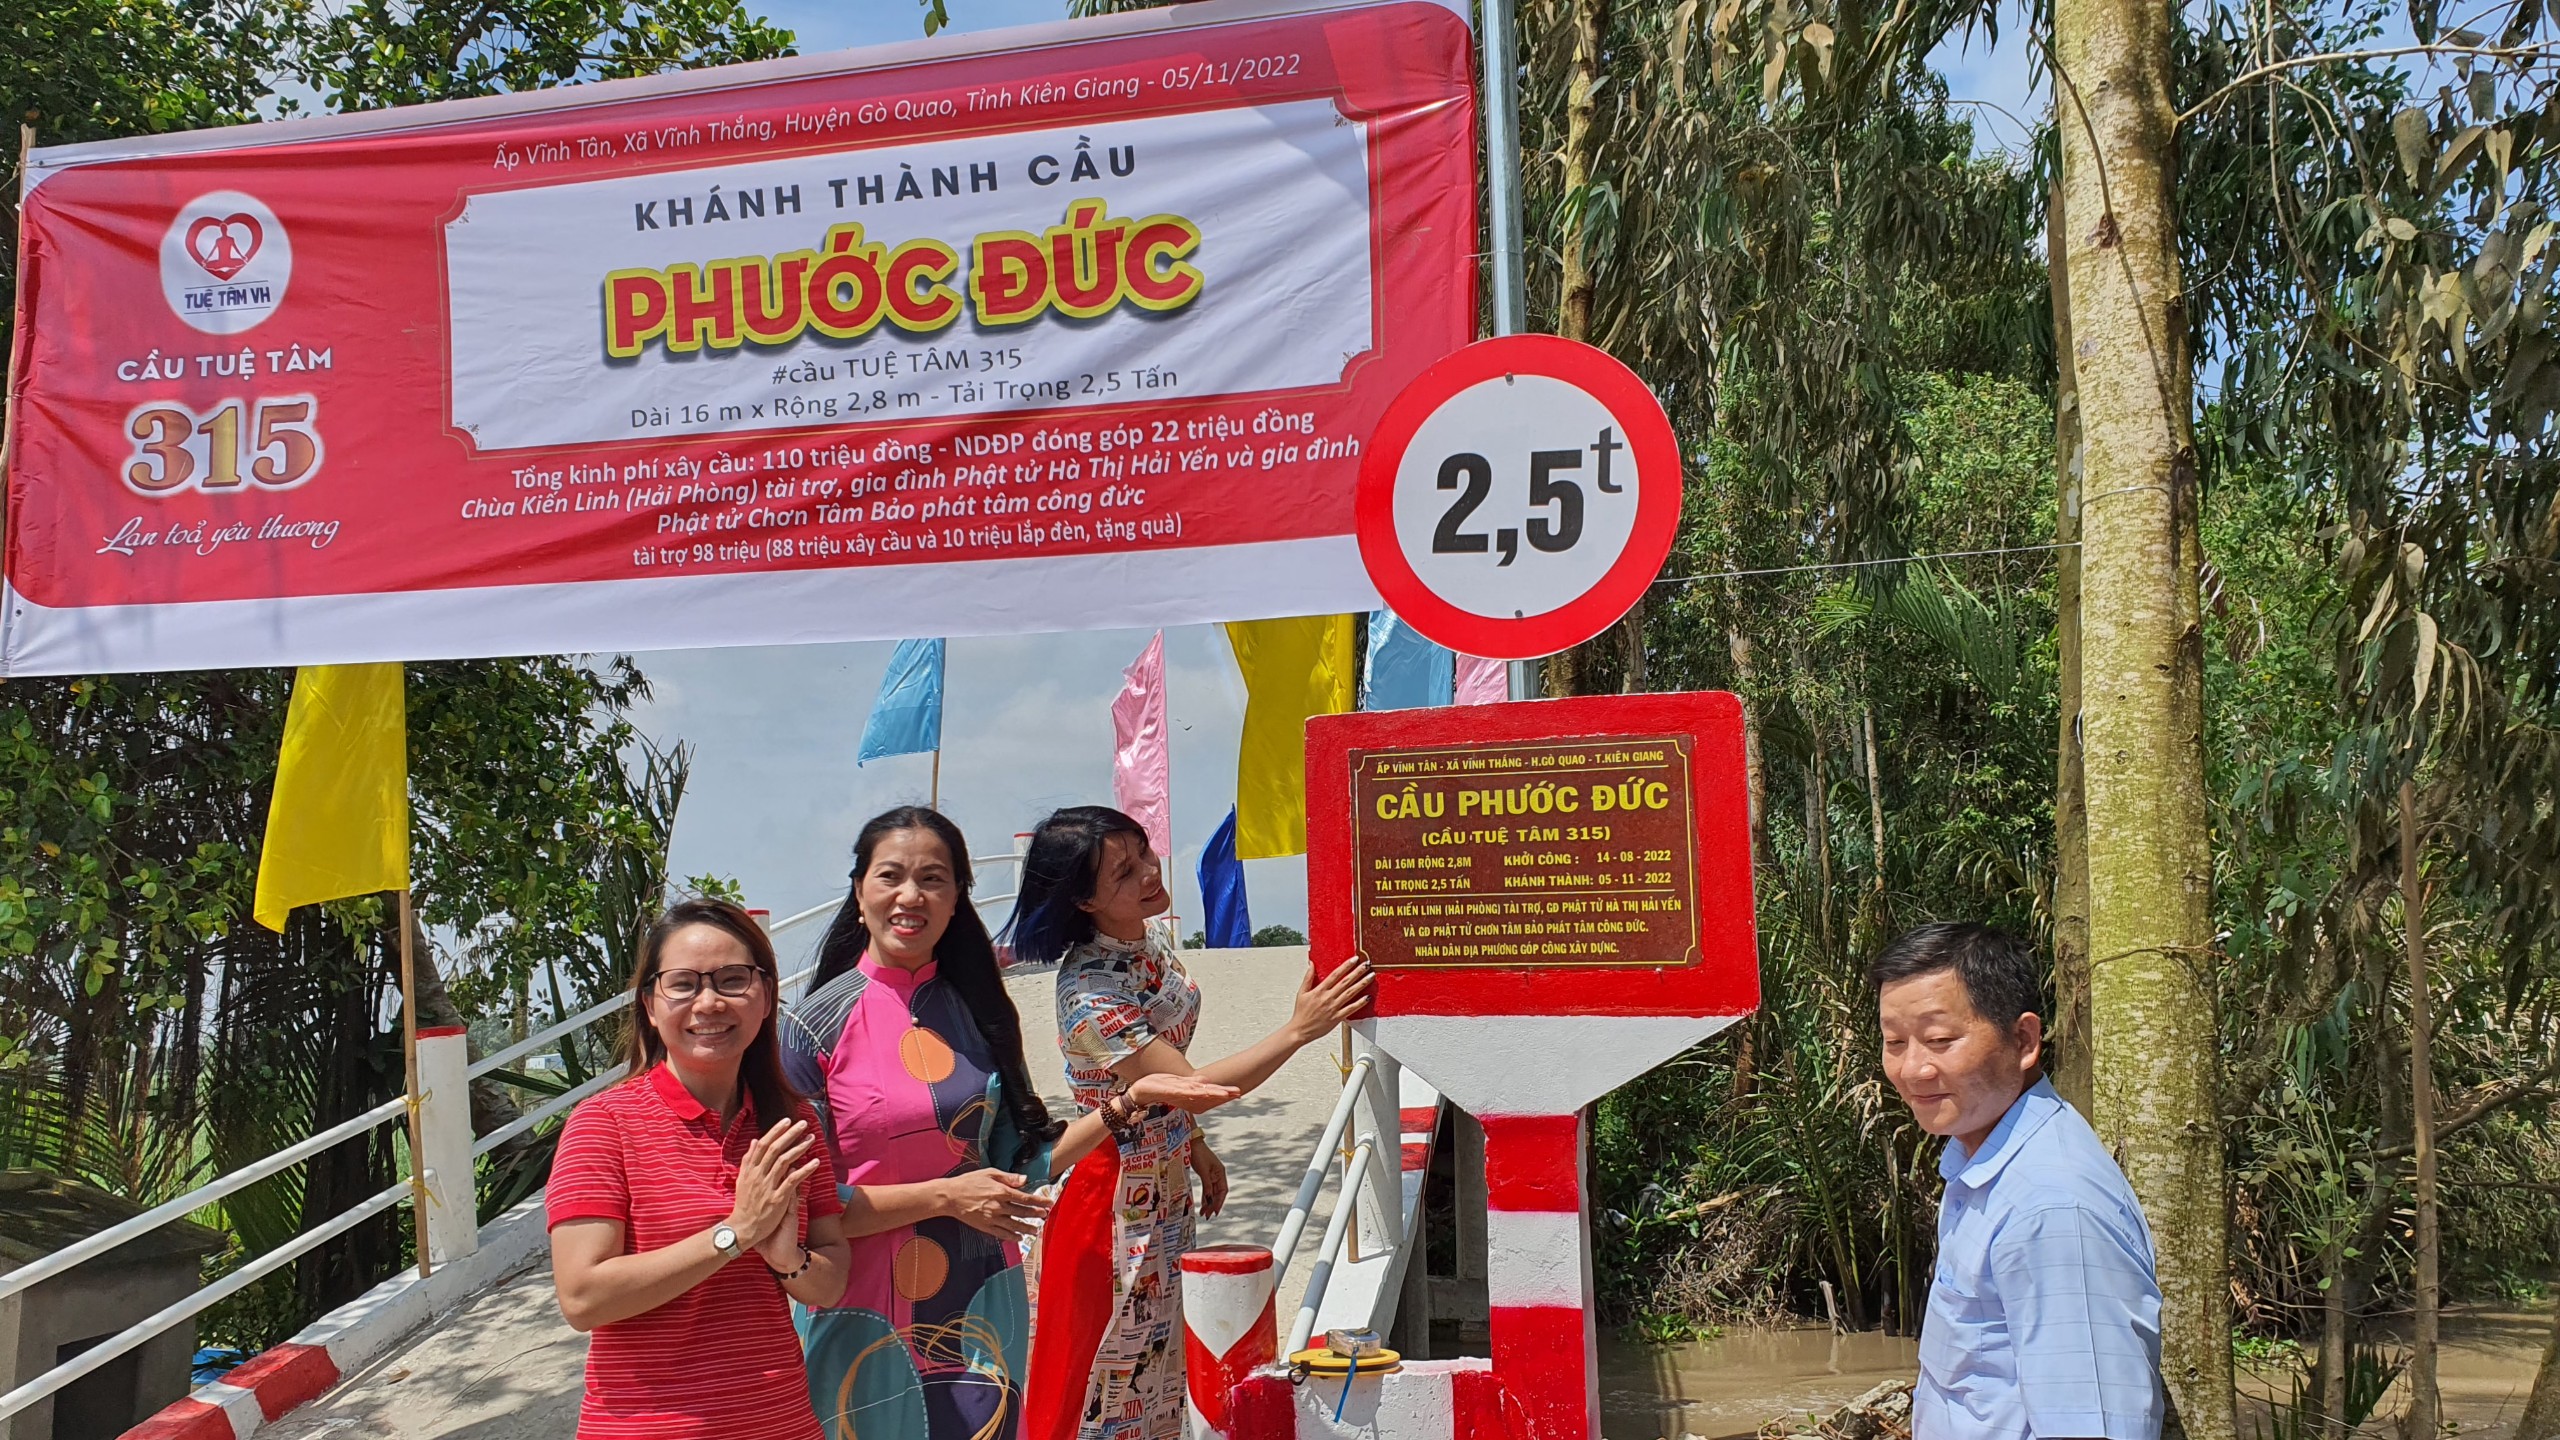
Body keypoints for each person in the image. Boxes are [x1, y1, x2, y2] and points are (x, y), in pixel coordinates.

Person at [781, 806, 1239, 1440]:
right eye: (891, 876)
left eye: (933, 879)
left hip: (978, 1300)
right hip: (862, 1309)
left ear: (957, 898)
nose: (911, 895)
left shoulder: (982, 1013)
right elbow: (803, 1206)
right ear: (860, 891)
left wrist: (1128, 1104)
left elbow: (1024, 1162)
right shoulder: (810, 1029)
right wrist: (946, 1196)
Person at [1002, 805, 1373, 1440]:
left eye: (1143, 852)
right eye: (1124, 872)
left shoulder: (1144, 940)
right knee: (1102, 1380)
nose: (1149, 872)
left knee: (1157, 1376)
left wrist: (1194, 1145)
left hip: (1164, 1183)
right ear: (1084, 901)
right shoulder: (1089, 993)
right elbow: (1193, 1088)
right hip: (1113, 1199)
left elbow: (1171, 1077)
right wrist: (1298, 1031)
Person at [548, 899, 852, 1440]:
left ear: (765, 996)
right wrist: (736, 1233)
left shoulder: (792, 1122)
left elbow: (828, 1284)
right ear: (650, 1004)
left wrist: (787, 1259)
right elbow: (583, 1298)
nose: (709, 1003)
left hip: (780, 1421)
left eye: (733, 980)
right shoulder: (604, 1124)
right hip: (648, 1428)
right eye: (684, 984)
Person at [1871, 921, 2166, 1440]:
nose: (1913, 1069)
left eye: (1939, 1040)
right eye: (1895, 1041)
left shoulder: (2051, 1206)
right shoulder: (1983, 1162)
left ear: (2024, 1040)